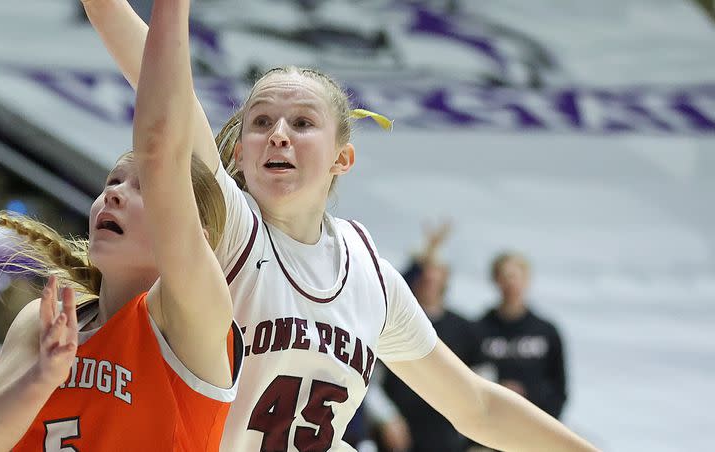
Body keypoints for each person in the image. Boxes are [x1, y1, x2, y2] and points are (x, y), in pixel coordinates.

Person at [81, 1, 597, 450]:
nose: (279, 134)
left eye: (302, 123)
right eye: (261, 122)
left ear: (341, 159)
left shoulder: (369, 273)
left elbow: (476, 407)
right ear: (239, 152)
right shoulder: (229, 225)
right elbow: (160, 90)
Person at [0, 1, 243, 448]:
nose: (113, 193)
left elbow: (161, 146)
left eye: (143, 188)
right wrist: (43, 375)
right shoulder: (43, 320)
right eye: (112, 181)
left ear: (196, 237)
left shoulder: (190, 319)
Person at [381, 221, 483, 452]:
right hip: (400, 429)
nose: (429, 277)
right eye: (424, 270)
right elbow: (373, 380)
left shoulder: (465, 328)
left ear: (445, 277)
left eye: (435, 270)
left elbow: (480, 377)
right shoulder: (395, 322)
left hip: (446, 431)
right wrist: (386, 417)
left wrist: (473, 424)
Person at [475, 252, 567, 419]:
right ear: (495, 280)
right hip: (489, 425)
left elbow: (559, 388)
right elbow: (469, 381)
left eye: (516, 277)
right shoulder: (478, 330)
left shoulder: (546, 331)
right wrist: (500, 389)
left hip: (536, 424)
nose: (511, 283)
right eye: (505, 277)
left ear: (527, 280)